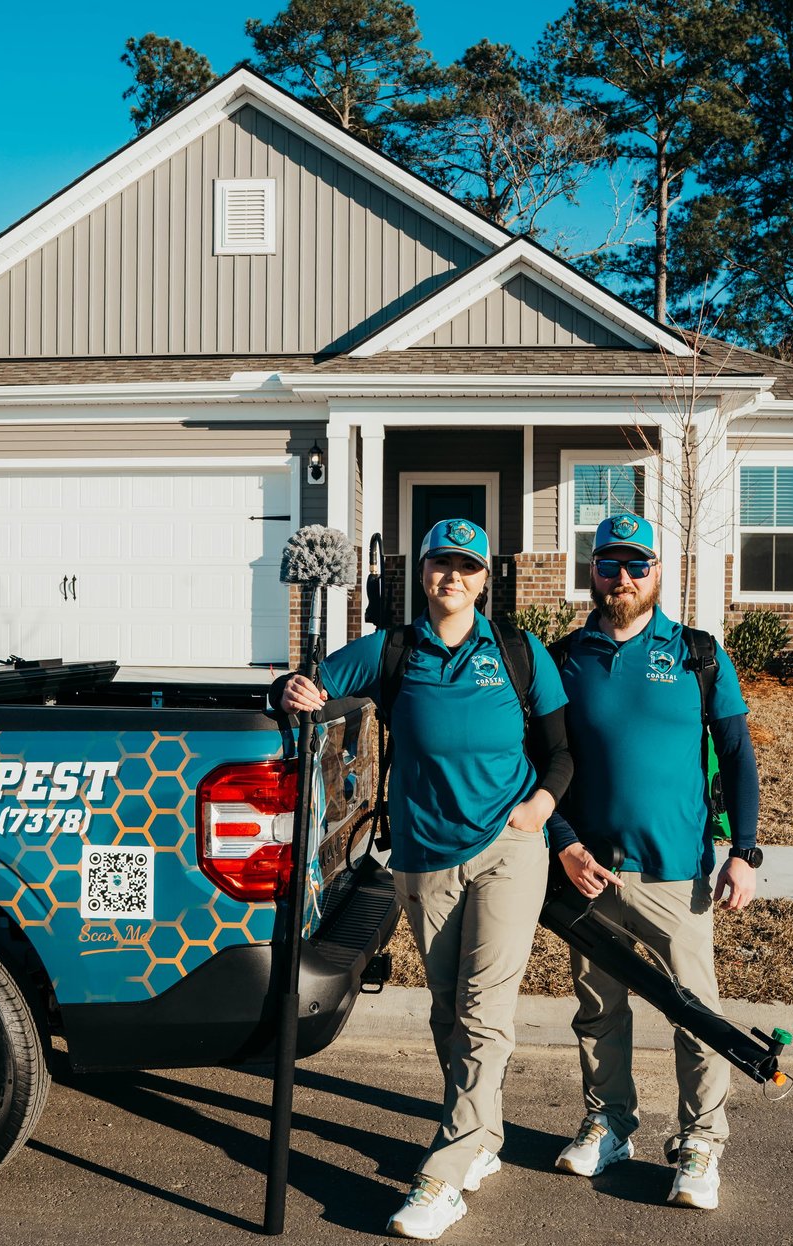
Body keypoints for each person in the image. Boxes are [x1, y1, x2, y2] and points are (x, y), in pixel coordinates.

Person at [277, 518, 572, 1240]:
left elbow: (561, 752)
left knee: (483, 1010)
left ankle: (442, 1176)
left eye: (466, 567)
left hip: (507, 848)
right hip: (423, 856)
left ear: (483, 580)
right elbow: (305, 689)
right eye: (442, 563)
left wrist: (539, 807)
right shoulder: (393, 649)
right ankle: (484, 1135)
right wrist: (289, 690)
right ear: (425, 574)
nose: (453, 577)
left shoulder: (517, 651)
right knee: (447, 1008)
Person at [548, 512, 761, 1211]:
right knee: (598, 1008)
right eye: (609, 563)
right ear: (593, 572)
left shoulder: (698, 653)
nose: (623, 577)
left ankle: (701, 1141)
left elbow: (737, 755)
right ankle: (609, 1124)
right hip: (589, 870)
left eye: (637, 564)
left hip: (675, 872)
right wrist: (563, 845)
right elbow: (538, 761)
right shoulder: (562, 658)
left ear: (658, 573)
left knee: (696, 1013)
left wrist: (744, 851)